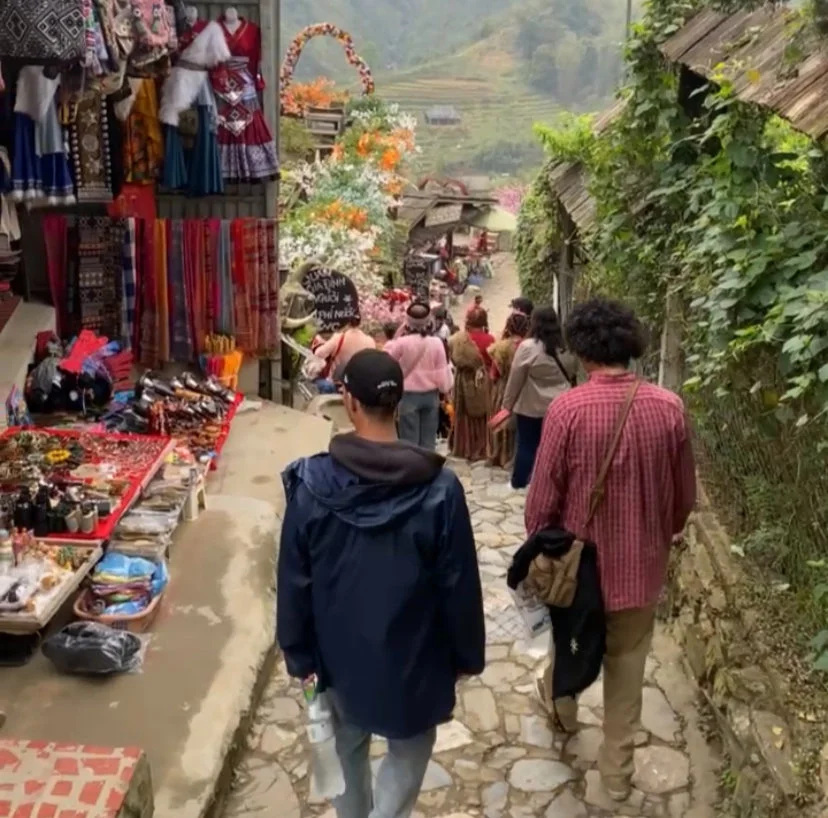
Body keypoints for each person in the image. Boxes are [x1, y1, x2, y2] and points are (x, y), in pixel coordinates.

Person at [277, 349, 485, 818]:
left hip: (336, 658)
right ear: (400, 402)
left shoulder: (311, 484)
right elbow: (459, 583)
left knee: (346, 751)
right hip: (416, 658)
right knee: (409, 754)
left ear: (349, 401)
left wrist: (299, 654)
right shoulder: (440, 489)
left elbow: (293, 579)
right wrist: (465, 655)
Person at [524, 298, 696, 803]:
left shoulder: (567, 410)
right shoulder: (669, 408)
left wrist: (543, 545)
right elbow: (683, 498)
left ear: (580, 349)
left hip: (579, 572)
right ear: (631, 345)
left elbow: (541, 503)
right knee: (628, 666)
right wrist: (659, 532)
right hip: (641, 570)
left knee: (569, 643)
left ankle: (562, 710)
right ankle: (617, 775)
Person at [502, 307, 576, 489]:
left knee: (527, 445)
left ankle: (520, 481)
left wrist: (507, 405)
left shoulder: (528, 347)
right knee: (557, 447)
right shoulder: (566, 348)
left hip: (532, 406)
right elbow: (573, 373)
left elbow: (516, 378)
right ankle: (553, 483)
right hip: (562, 405)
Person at [384, 303, 453, 451]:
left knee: (409, 441)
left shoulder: (401, 343)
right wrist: (445, 391)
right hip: (431, 396)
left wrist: (397, 334)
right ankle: (427, 465)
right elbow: (442, 373)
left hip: (408, 396)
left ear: (407, 322)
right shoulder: (436, 343)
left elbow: (387, 360)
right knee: (428, 441)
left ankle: (411, 465)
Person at [448, 307, 494, 461]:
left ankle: (464, 447)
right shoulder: (490, 340)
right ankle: (482, 446)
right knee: (482, 412)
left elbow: (453, 360)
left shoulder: (456, 340)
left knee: (465, 413)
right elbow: (493, 363)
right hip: (483, 381)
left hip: (462, 382)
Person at [487, 312, 531, 468]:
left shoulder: (500, 348)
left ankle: (501, 454)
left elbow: (494, 374)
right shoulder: (529, 346)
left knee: (503, 418)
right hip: (524, 387)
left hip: (503, 387)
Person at [313, 317, 376, 385]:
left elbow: (318, 353)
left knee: (315, 378)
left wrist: (320, 340)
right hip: (358, 383)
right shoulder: (370, 341)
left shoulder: (339, 337)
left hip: (336, 381)